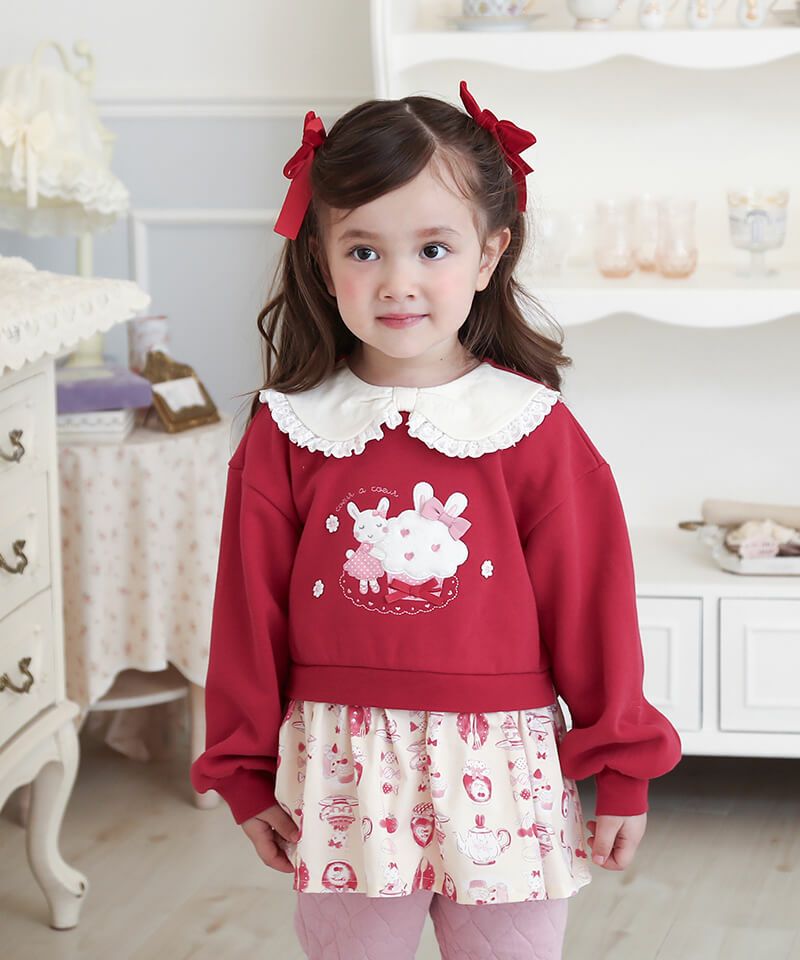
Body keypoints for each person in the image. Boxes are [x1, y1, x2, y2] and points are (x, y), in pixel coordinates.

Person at [190, 79, 683, 960]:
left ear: (489, 255)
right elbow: (246, 618)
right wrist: (243, 771)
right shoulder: (290, 430)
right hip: (345, 772)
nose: (398, 282)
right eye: (364, 250)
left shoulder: (532, 428)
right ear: (322, 260)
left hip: (503, 770)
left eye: (432, 248)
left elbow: (593, 607)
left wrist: (622, 768)